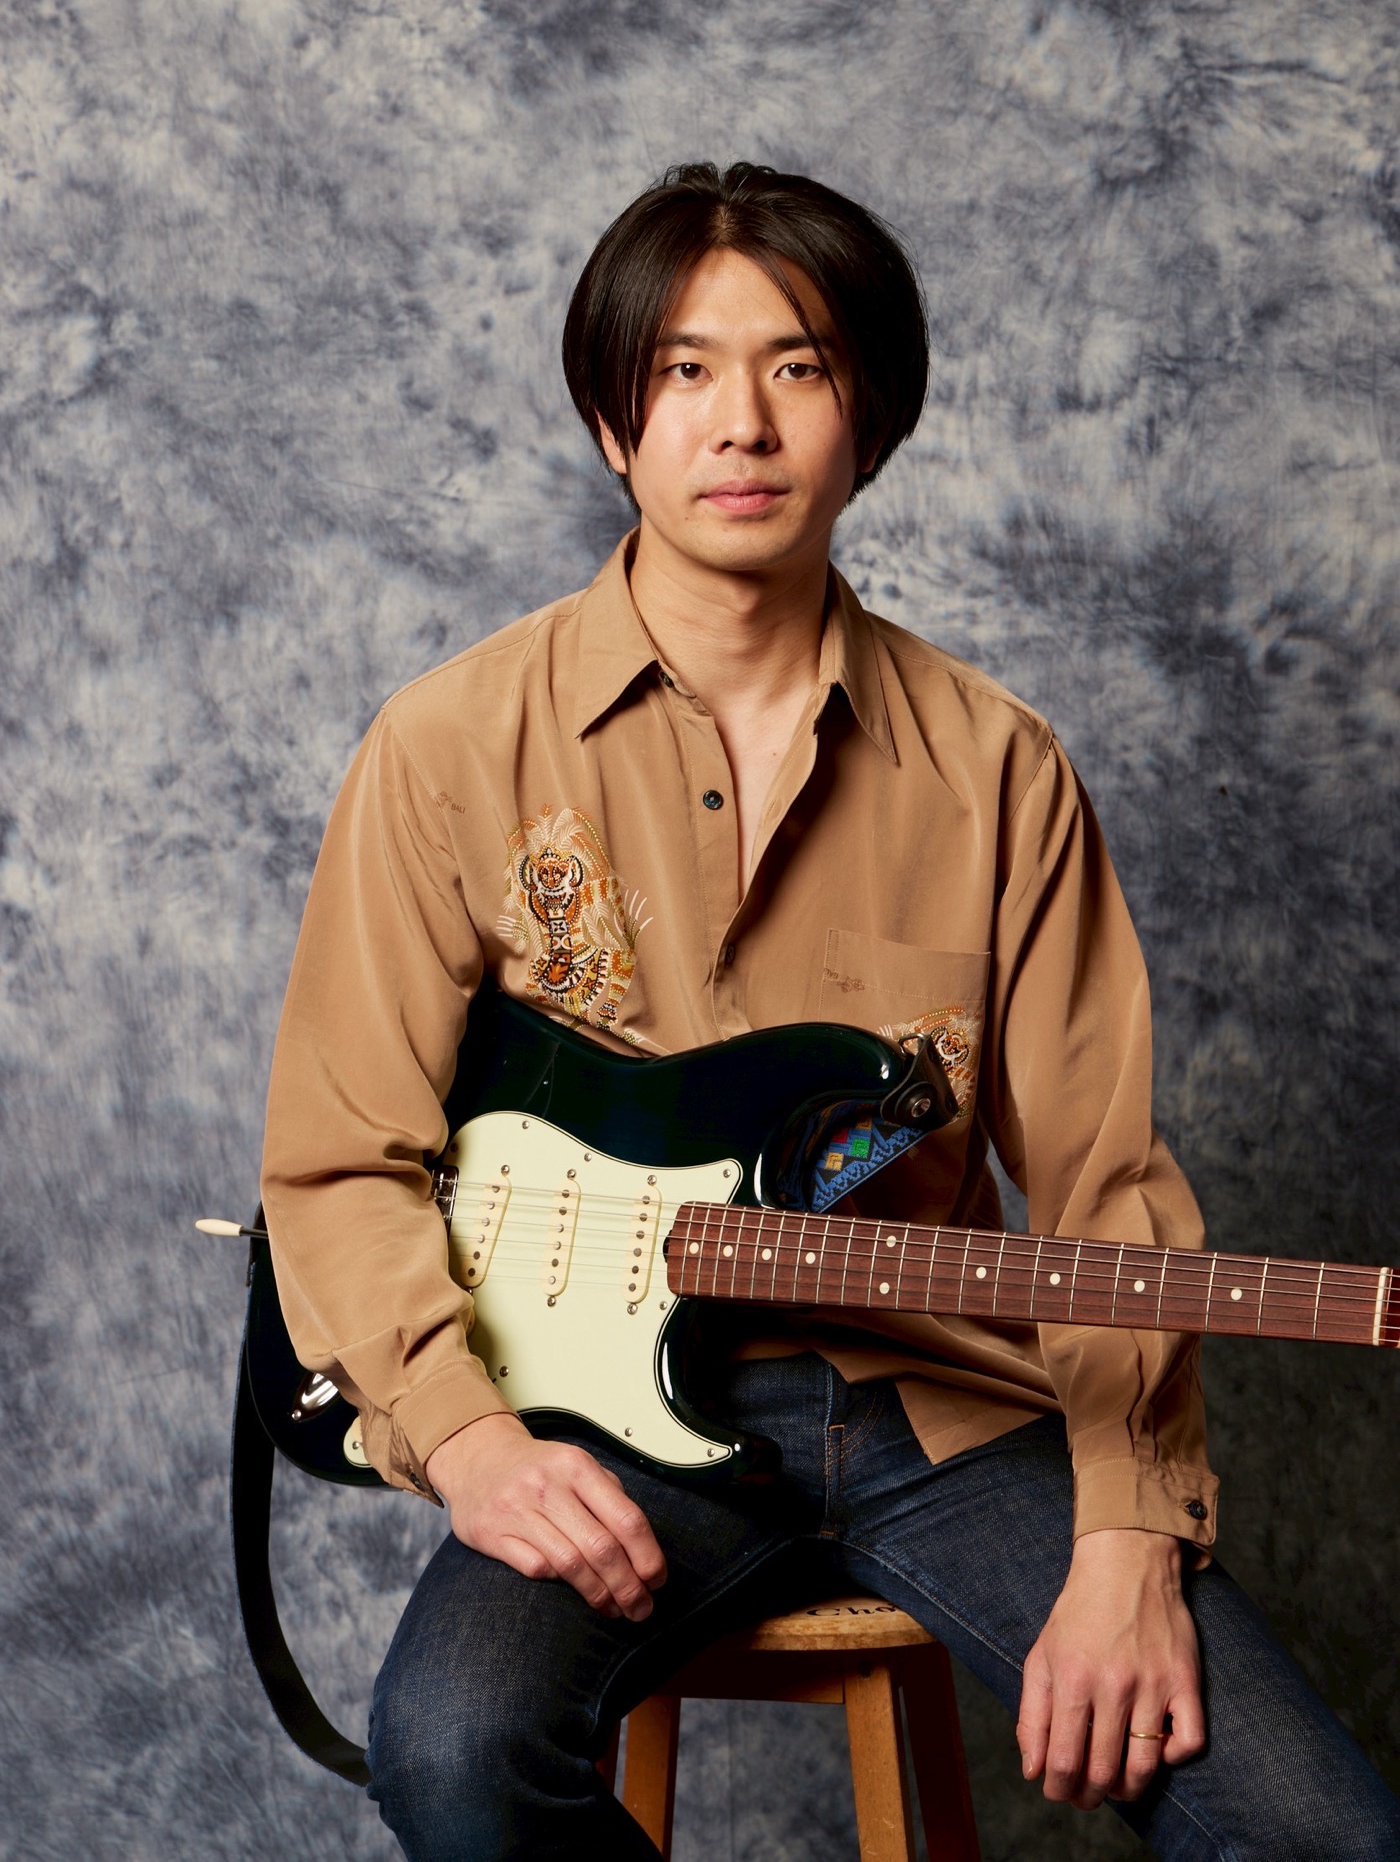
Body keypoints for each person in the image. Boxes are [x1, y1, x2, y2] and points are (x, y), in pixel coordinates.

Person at [260, 162, 1400, 1861]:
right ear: (613, 422)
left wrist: (1128, 1538)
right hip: (603, 1420)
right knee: (454, 1750)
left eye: (797, 367)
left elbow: (1105, 1193)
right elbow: (338, 1160)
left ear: (868, 418)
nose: (743, 422)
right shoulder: (446, 751)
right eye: (685, 372)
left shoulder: (998, 768)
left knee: (1322, 1839)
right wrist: (474, 1442)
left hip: (948, 1408)